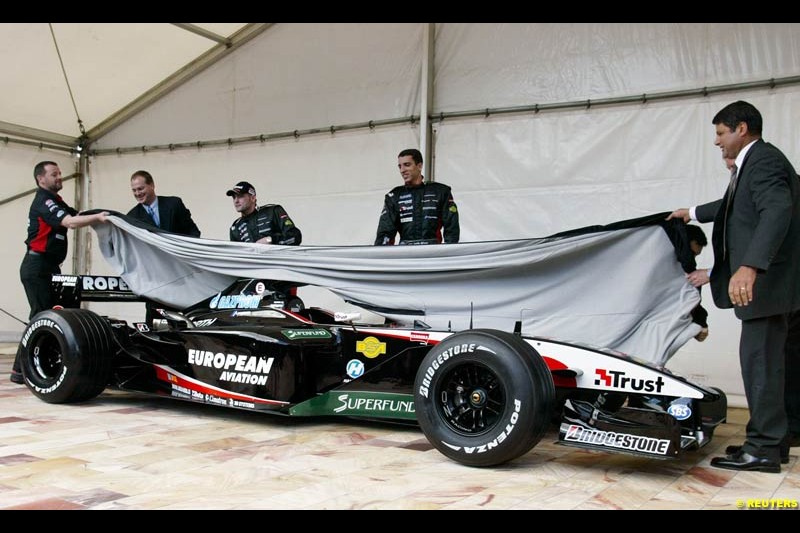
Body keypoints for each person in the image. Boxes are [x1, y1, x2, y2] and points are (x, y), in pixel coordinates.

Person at [668, 100, 800, 473]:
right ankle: (777, 441)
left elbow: (776, 210)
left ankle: (762, 448)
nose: (717, 142)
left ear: (742, 128)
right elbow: (732, 207)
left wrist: (750, 267)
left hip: (769, 285)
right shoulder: (758, 163)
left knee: (760, 364)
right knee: (777, 363)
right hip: (781, 286)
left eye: (720, 133)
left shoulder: (763, 161)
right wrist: (690, 213)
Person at [11, 161, 109, 384]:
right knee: (40, 316)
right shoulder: (44, 200)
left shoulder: (57, 200)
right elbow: (71, 223)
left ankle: (26, 368)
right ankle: (20, 371)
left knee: (51, 314)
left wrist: (105, 216)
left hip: (50, 267)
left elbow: (78, 215)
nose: (59, 177)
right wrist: (98, 218)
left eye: (59, 173)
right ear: (41, 179)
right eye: (54, 174)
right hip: (36, 267)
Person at [374, 148, 459, 245]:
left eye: (407, 165)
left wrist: (448, 253)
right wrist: (382, 253)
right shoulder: (394, 196)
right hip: (406, 254)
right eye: (400, 166)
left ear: (419, 166)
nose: (402, 170)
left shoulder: (440, 191)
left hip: (433, 254)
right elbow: (385, 231)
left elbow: (452, 228)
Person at [127, 170, 201, 237]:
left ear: (152, 185)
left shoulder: (174, 204)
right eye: (134, 190)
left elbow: (193, 232)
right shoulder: (132, 217)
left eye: (140, 189)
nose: (137, 193)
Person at [227, 181, 302, 245]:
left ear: (252, 198)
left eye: (240, 196)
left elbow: (296, 237)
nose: (236, 201)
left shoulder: (272, 211)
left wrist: (270, 240)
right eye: (234, 197)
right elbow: (236, 256)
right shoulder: (235, 228)